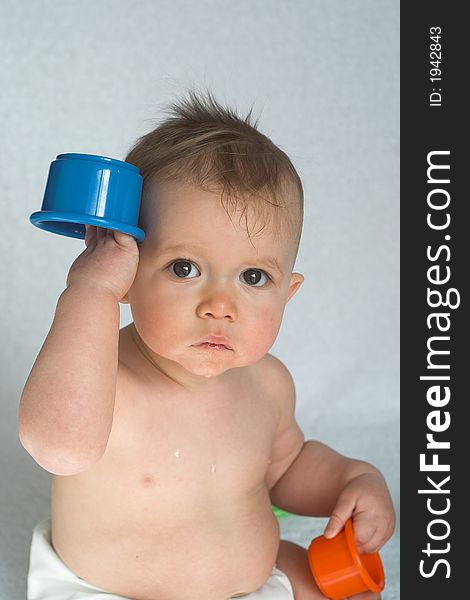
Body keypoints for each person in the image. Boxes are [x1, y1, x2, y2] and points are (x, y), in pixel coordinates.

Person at [19, 90, 395, 600]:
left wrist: (353, 478)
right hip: (107, 590)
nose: (220, 304)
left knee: (346, 590)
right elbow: (58, 446)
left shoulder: (267, 384)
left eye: (254, 276)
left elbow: (287, 467)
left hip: (251, 579)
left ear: (289, 292)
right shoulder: (101, 377)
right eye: (184, 268)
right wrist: (91, 291)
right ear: (127, 275)